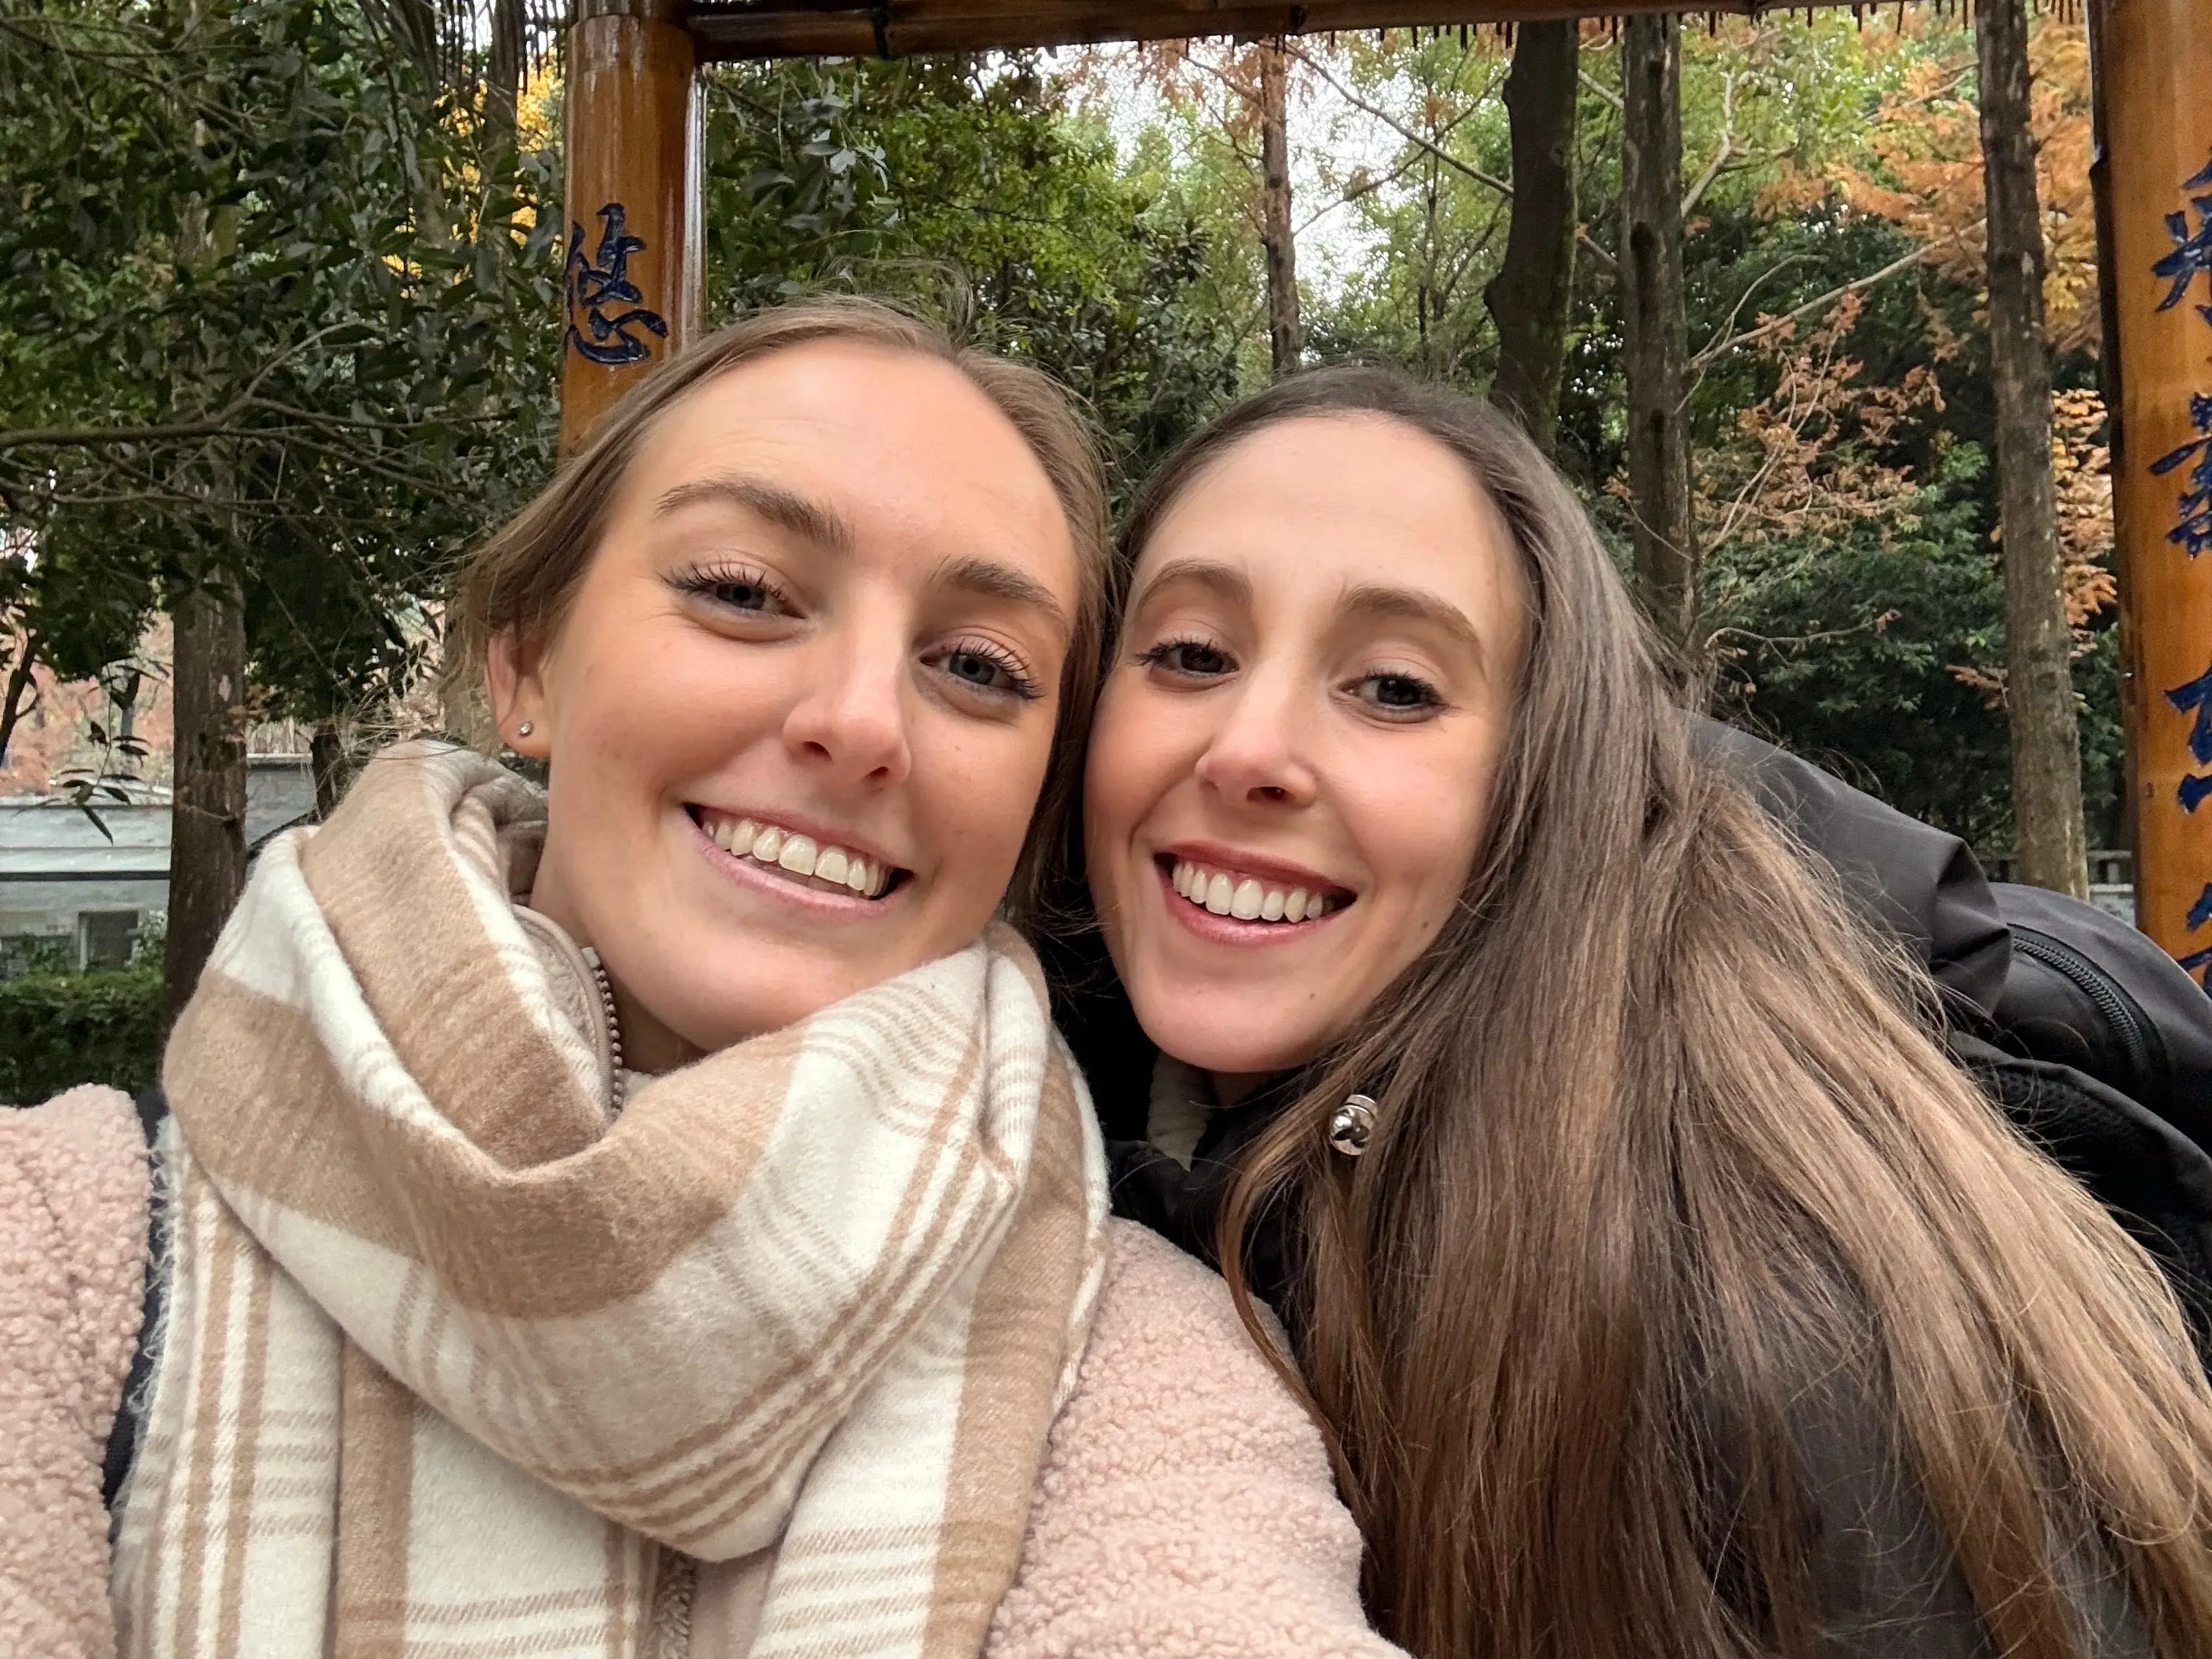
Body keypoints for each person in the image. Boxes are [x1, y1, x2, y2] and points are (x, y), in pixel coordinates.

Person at [0, 301, 1401, 1659]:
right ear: (527, 656)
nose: (860, 723)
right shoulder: (68, 1251)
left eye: (978, 667)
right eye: (741, 592)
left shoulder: (1137, 1367)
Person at [1070, 366, 2212, 1659]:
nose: (1247, 749)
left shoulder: (1762, 1316)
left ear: (1542, 781)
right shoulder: (1034, 1112)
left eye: (1394, 687)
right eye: (1190, 654)